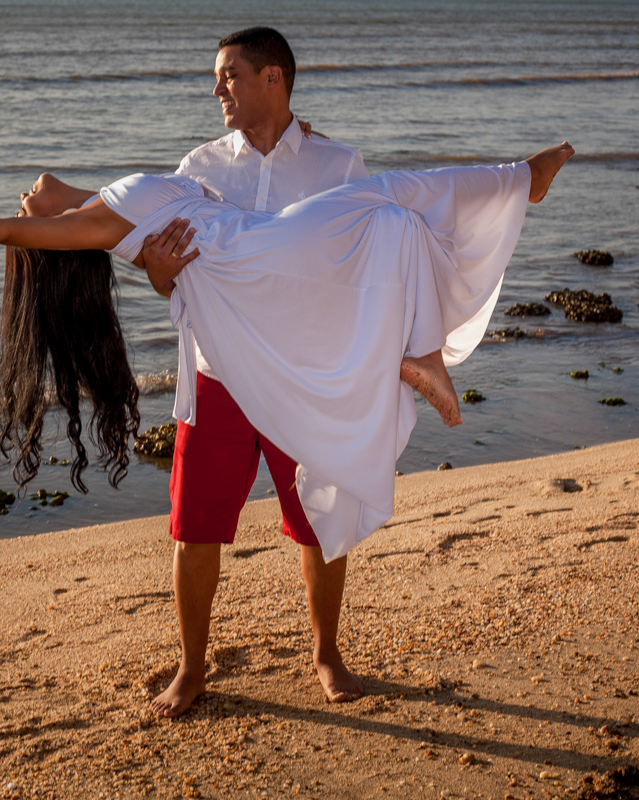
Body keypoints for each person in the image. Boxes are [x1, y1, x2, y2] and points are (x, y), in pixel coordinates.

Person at [0, 149, 576, 712]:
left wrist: (93, 221)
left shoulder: (123, 194)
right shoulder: (90, 226)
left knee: (390, 208)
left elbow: (43, 187)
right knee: (384, 209)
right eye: (38, 213)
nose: (27, 194)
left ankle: (434, 322)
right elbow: (9, 226)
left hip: (265, 268)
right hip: (251, 287)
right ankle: (193, 668)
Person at [138, 26, 373, 718]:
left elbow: (366, 267)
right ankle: (192, 668)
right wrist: (157, 272)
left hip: (304, 377)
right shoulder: (199, 168)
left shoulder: (339, 165)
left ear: (273, 78)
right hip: (219, 378)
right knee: (193, 527)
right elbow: (172, 277)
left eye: (229, 76)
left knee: (318, 523)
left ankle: (327, 653)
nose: (217, 90)